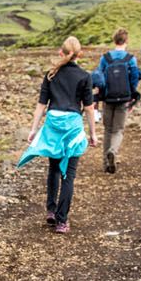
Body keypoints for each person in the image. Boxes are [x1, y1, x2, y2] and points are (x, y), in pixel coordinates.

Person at [18, 36, 97, 234]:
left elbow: (41, 105)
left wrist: (34, 129)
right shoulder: (85, 76)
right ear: (80, 54)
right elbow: (88, 108)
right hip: (72, 126)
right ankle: (62, 221)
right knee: (68, 175)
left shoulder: (51, 74)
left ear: (61, 53)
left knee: (53, 167)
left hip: (53, 124)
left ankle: (51, 211)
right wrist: (93, 134)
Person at [94, 27, 141, 173]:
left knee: (108, 129)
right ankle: (113, 152)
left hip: (108, 98)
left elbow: (99, 78)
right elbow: (134, 77)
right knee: (118, 130)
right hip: (123, 99)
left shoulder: (105, 58)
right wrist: (131, 94)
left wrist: (98, 97)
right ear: (126, 40)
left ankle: (105, 163)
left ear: (114, 40)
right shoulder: (130, 59)